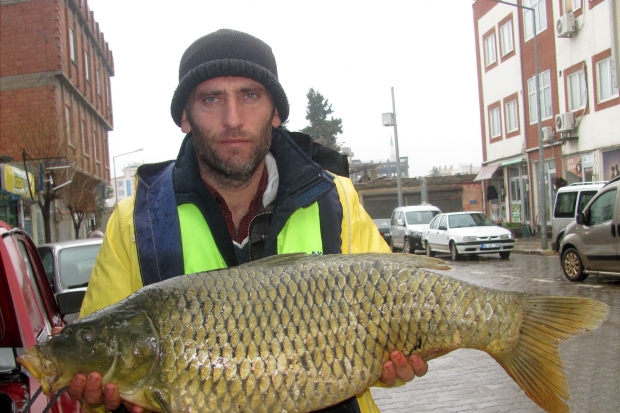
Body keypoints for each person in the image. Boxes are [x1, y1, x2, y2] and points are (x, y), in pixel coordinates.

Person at [62, 29, 428, 413]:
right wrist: (101, 400)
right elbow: (99, 357)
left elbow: (398, 326)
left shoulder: (336, 199)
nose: (232, 119)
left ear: (276, 114)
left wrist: (390, 362)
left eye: (250, 96)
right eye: (211, 98)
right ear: (185, 117)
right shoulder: (133, 221)